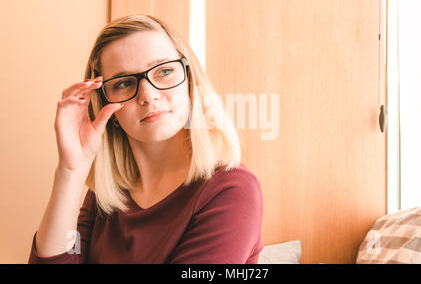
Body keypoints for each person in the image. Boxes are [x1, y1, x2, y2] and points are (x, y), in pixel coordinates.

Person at [27, 14, 264, 264]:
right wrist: (70, 170)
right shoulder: (106, 195)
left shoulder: (231, 189)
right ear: (108, 108)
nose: (148, 95)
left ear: (190, 81)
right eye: (124, 83)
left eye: (164, 71)